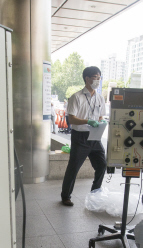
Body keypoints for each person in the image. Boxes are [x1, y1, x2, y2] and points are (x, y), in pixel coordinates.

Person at [60, 66, 107, 207]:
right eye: (95, 77)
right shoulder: (76, 97)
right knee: (74, 167)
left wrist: (100, 122)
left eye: (99, 77)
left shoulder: (100, 98)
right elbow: (71, 120)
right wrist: (88, 121)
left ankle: (95, 194)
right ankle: (65, 196)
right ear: (87, 78)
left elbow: (100, 116)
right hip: (80, 137)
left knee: (102, 165)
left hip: (95, 136)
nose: (97, 80)